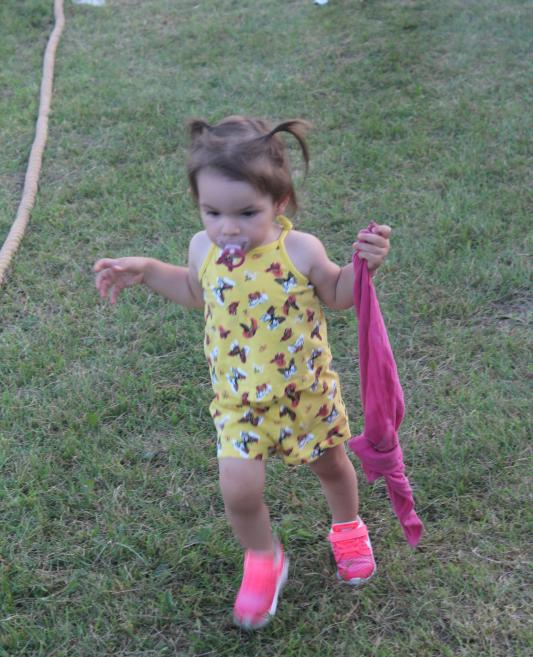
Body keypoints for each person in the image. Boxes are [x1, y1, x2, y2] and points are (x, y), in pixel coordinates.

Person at [94, 116, 391, 630]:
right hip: (239, 401)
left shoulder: (300, 250)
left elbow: (338, 294)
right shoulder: (203, 247)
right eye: (213, 212)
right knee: (238, 491)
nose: (228, 228)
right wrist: (149, 270)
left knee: (331, 466)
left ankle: (347, 527)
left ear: (280, 203)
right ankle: (262, 558)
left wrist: (363, 266)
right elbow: (195, 291)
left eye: (246, 213)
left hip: (304, 393)